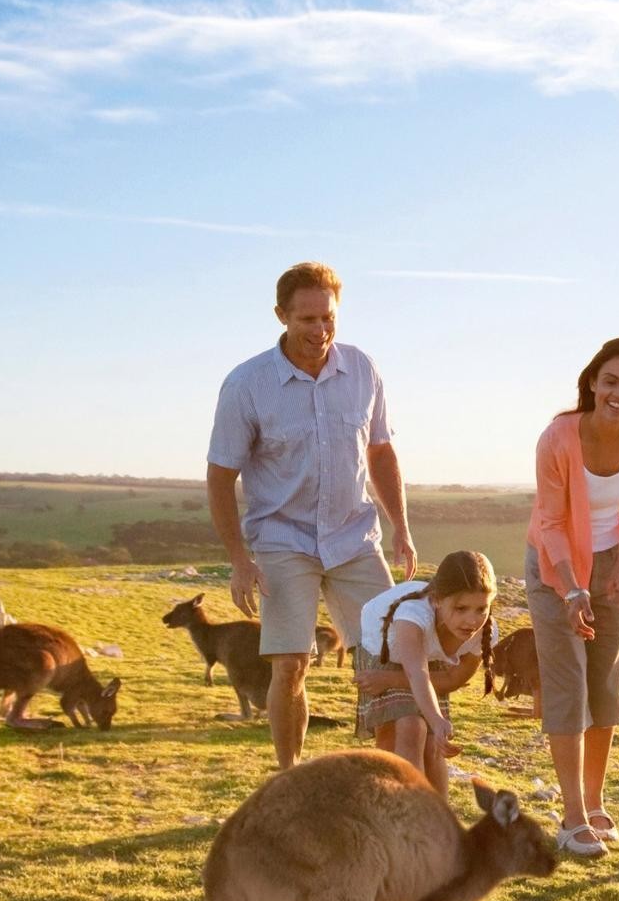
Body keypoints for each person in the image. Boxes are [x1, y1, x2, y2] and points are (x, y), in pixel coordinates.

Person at [206, 261, 417, 771]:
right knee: (291, 664)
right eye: (307, 320)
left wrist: (401, 530)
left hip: (353, 536)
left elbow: (382, 454)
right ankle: (290, 777)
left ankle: (386, 771)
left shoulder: (363, 369)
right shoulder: (246, 385)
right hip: (282, 540)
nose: (320, 330)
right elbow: (219, 475)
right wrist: (239, 560)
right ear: (281, 315)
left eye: (328, 318)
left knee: (389, 654)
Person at [524, 338, 619, 859]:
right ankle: (571, 817)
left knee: (607, 682)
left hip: (613, 562)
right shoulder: (558, 438)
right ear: (592, 383)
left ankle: (595, 797)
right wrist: (572, 588)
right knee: (568, 683)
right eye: (611, 382)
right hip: (554, 567)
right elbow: (552, 521)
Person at [353, 550, 496, 791]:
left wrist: (387, 680)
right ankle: (409, 814)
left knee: (433, 745)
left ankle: (439, 822)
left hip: (428, 654)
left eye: (481, 609)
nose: (472, 621)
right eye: (461, 608)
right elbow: (417, 673)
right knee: (410, 727)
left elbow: (454, 678)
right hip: (385, 649)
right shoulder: (413, 615)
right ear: (438, 599)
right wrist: (437, 720)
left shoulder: (485, 632)